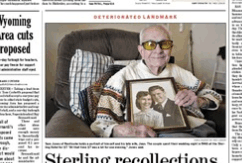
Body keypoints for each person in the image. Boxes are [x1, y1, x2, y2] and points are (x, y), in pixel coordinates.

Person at [90, 25, 222, 138]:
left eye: (164, 44)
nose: (158, 50)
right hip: (152, 135)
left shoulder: (180, 72)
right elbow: (101, 124)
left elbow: (212, 94)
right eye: (150, 44)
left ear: (170, 48)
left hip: (197, 128)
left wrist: (199, 101)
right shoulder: (122, 77)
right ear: (141, 50)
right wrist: (120, 131)